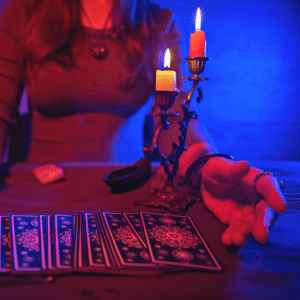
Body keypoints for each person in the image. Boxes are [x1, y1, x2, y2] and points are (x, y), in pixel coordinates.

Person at [0, 0, 286, 247]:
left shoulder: (159, 23)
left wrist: (205, 164)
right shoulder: (25, 13)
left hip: (128, 194)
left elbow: (174, 114)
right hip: (36, 198)